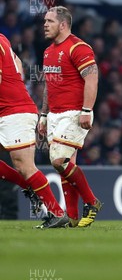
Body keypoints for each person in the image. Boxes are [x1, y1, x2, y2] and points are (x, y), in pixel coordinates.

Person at [37, 6, 102, 228]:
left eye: (50, 21)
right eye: (45, 21)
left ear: (63, 25)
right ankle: (72, 218)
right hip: (54, 114)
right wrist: (43, 114)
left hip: (74, 113)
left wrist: (87, 109)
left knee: (59, 161)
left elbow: (92, 79)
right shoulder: (47, 52)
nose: (45, 24)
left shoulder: (79, 47)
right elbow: (49, 85)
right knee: (65, 165)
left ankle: (92, 202)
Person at [0, 33, 67, 228]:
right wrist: (16, 84)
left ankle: (56, 212)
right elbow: (18, 63)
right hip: (10, 108)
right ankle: (30, 188)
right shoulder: (3, 38)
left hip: (15, 112)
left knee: (24, 166)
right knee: (23, 167)